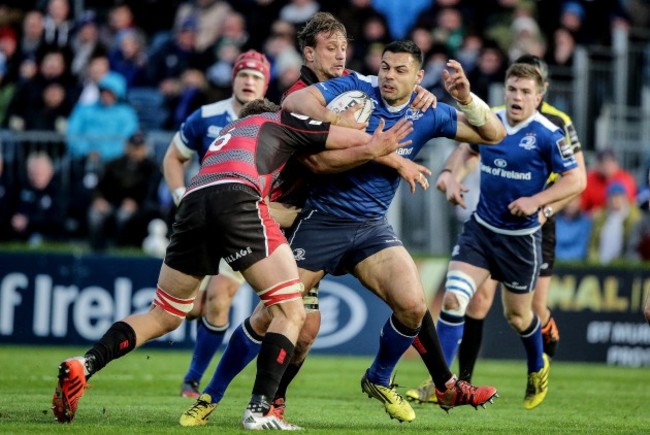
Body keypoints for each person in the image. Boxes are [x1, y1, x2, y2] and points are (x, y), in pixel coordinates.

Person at [182, 39, 505, 427]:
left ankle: (379, 376)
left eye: (401, 71)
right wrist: (366, 139)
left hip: (371, 228)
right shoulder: (354, 91)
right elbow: (296, 111)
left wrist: (467, 98)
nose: (389, 76)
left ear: (419, 77)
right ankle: (210, 395)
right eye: (385, 67)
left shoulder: (430, 112)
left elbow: (494, 135)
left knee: (414, 305)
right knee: (274, 314)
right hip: (319, 219)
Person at [51, 98, 415, 430]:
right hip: (237, 196)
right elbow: (338, 138)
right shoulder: (281, 121)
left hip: (194, 201)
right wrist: (375, 145)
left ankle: (86, 363)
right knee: (290, 311)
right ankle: (259, 411)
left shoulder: (228, 131)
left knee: (164, 314)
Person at [406, 54, 588, 403]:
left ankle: (537, 366)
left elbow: (576, 179)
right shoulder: (492, 121)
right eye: (512, 89)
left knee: (520, 316)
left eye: (525, 91)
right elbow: (466, 150)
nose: (517, 97)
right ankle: (444, 385)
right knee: (456, 298)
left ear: (539, 97)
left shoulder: (550, 134)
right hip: (482, 230)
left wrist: (538, 203)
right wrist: (450, 178)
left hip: (521, 240)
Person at [162, 49, 271, 399]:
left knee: (220, 298)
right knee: (191, 306)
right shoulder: (205, 116)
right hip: (200, 220)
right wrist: (181, 194)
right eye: (244, 74)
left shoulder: (273, 120)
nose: (249, 81)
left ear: (266, 83)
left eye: (256, 76)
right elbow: (173, 157)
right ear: (234, 78)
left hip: (241, 223)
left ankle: (192, 380)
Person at [87, 131, 161, 251]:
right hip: (111, 203)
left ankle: (118, 247)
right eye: (133, 146)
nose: (136, 150)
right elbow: (100, 187)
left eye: (139, 147)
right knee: (95, 213)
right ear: (127, 146)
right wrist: (98, 199)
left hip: (138, 207)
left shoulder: (152, 168)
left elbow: (150, 192)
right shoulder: (114, 164)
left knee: (124, 214)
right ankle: (96, 248)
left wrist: (136, 203)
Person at [581, 148, 637, 213]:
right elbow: (582, 206)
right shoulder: (590, 179)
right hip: (596, 219)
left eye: (610, 162)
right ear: (597, 164)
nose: (607, 166)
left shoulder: (626, 178)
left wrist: (602, 210)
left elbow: (627, 203)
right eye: (603, 162)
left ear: (616, 163)